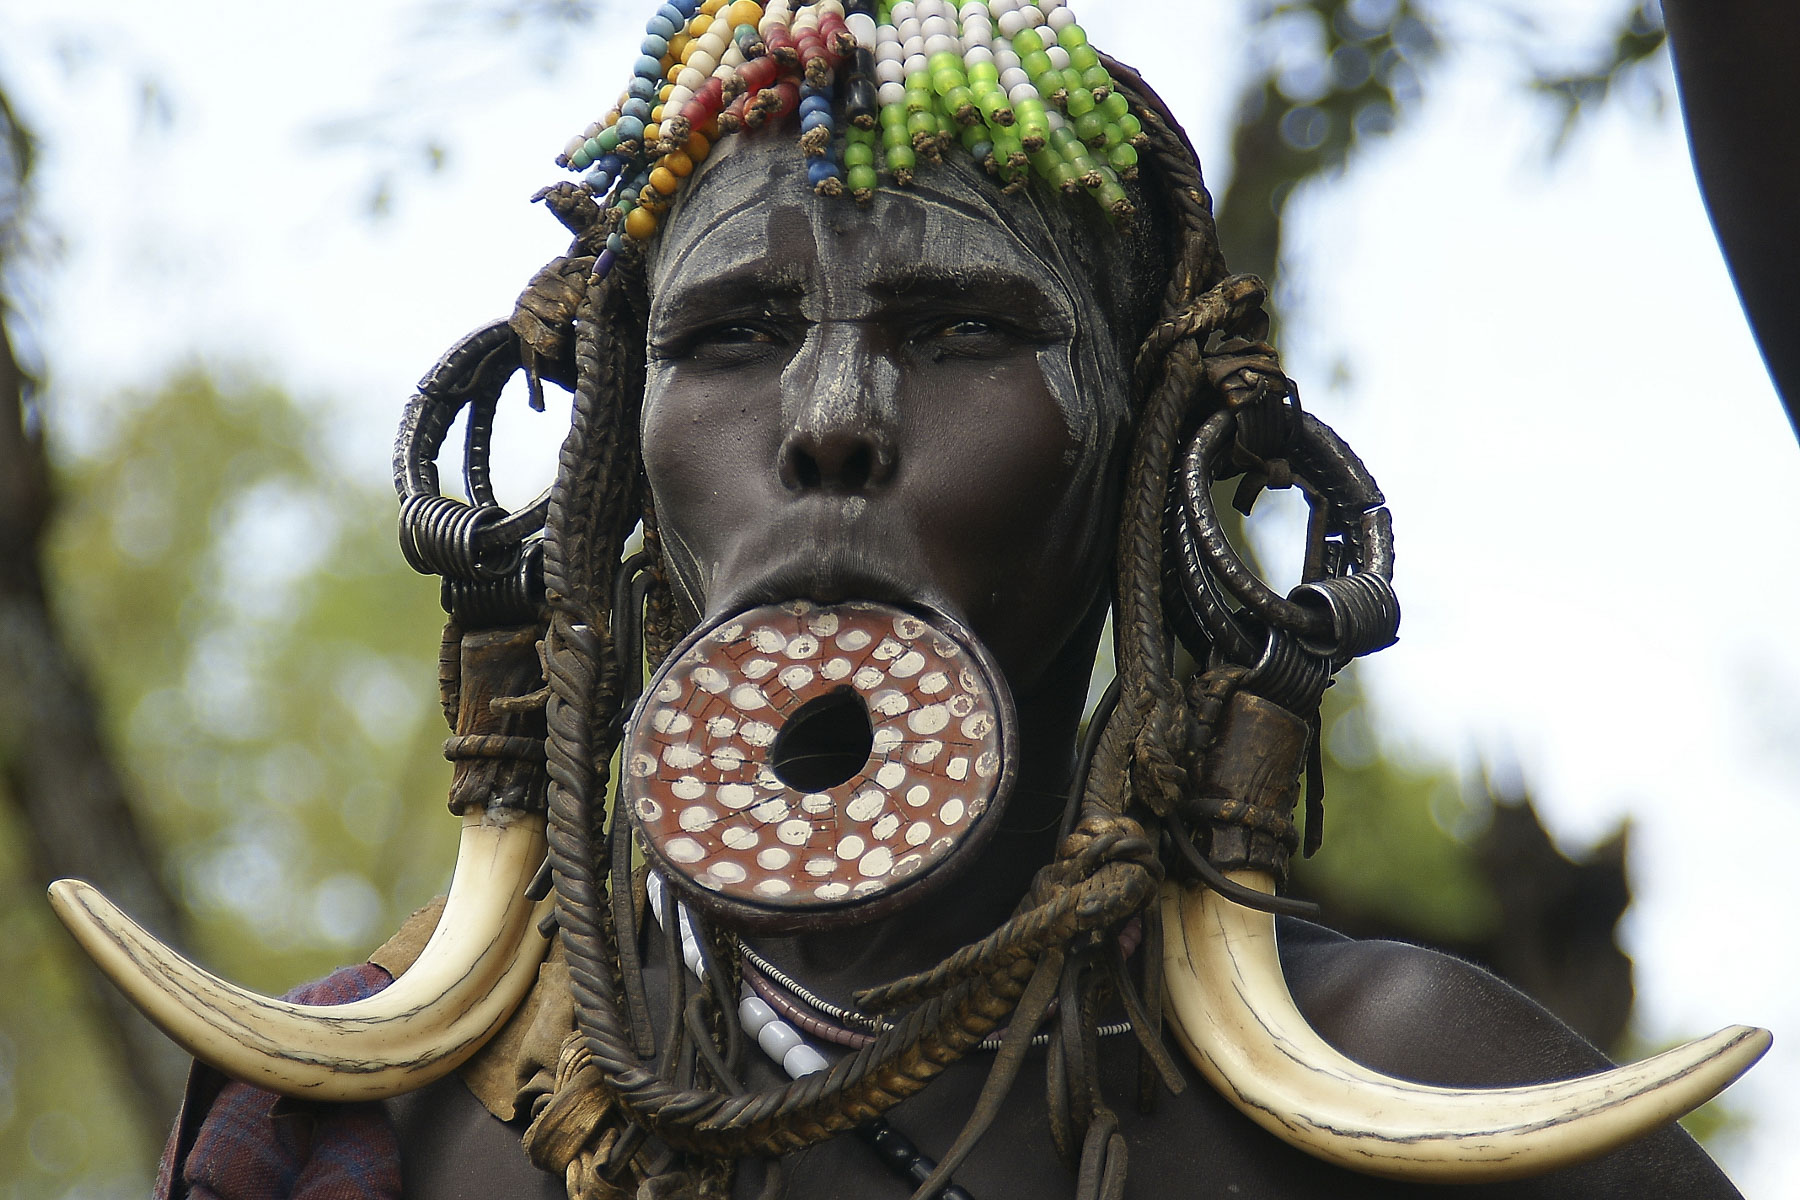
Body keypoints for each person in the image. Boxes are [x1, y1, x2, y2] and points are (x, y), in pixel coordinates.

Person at [53, 2, 1764, 1197]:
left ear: (1144, 463)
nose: (832, 421)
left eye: (963, 332)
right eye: (732, 335)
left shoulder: (1422, 1094)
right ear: (617, 460)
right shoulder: (387, 1123)